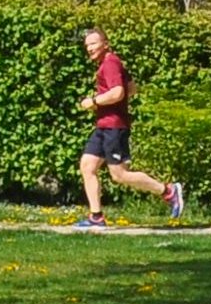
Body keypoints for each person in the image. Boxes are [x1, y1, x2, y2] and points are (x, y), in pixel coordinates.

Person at [72, 27, 184, 227]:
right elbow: (131, 88)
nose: (89, 48)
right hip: (104, 125)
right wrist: (108, 104)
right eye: (87, 45)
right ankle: (96, 217)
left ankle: (168, 191)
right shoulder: (112, 62)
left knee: (120, 175)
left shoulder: (110, 63)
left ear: (106, 44)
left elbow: (118, 93)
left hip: (114, 127)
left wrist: (94, 101)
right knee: (87, 166)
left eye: (94, 43)